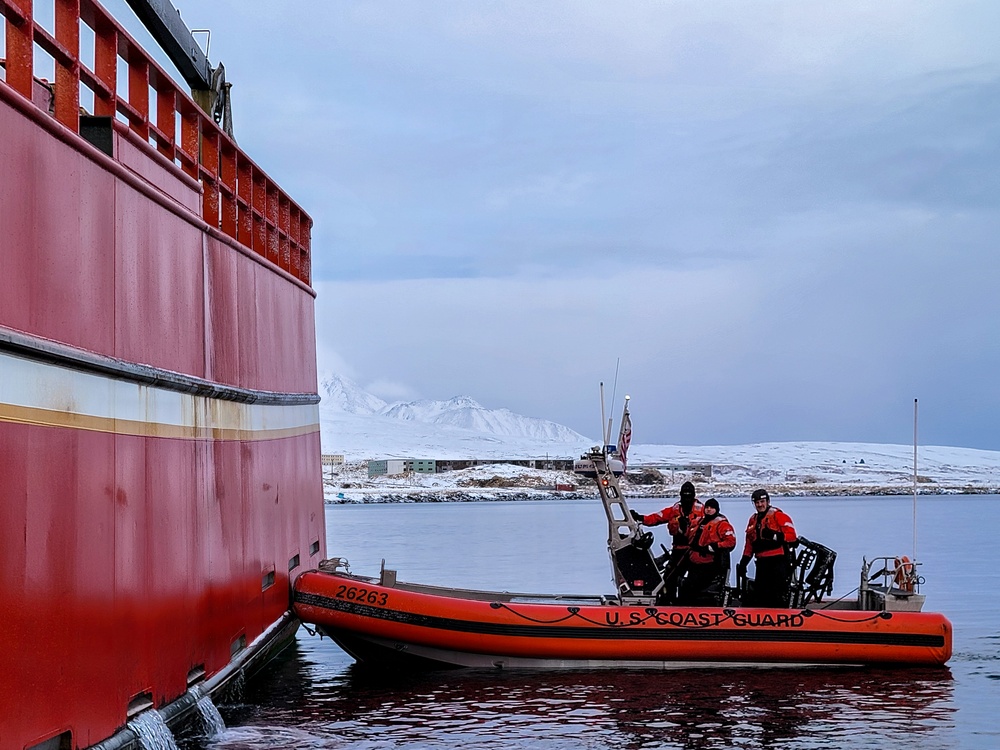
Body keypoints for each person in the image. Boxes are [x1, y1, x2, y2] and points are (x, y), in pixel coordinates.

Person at [630, 481, 704, 603]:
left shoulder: (702, 511)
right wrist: (641, 518)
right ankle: (669, 602)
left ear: (693, 495)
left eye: (689, 495)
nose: (686, 498)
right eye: (684, 495)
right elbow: (657, 517)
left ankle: (688, 603)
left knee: (693, 581)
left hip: (694, 552)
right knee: (669, 579)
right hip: (678, 550)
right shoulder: (675, 510)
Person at [736, 488, 798, 607]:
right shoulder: (752, 520)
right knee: (761, 593)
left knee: (777, 594)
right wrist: (744, 562)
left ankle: (781, 616)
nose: (759, 505)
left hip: (778, 561)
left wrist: (775, 536)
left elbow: (792, 537)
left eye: (762, 501)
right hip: (761, 562)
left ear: (768, 501)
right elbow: (749, 544)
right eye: (757, 502)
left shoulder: (779, 516)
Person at [679, 498, 737, 605]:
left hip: (708, 565)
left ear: (717, 509)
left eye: (712, 508)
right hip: (694, 562)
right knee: (683, 584)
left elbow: (731, 542)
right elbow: (688, 535)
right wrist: (682, 526)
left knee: (691, 587)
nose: (709, 510)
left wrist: (715, 547)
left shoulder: (721, 524)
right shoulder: (699, 521)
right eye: (707, 508)